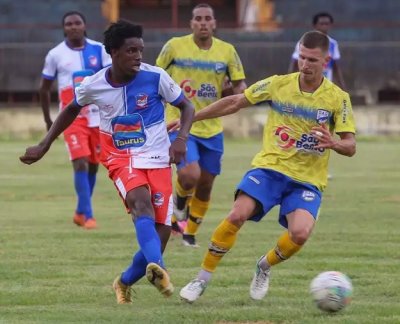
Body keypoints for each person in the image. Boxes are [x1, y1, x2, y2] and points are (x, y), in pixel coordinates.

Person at [20, 20, 195, 303]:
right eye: (130, 51)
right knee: (141, 204)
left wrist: (181, 139)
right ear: (113, 52)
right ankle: (160, 269)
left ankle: (124, 281)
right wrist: (44, 144)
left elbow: (187, 106)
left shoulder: (156, 76)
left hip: (158, 157)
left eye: (140, 49)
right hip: (119, 157)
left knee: (161, 232)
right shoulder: (94, 84)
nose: (138, 56)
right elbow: (70, 110)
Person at [179, 30, 356, 303]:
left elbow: (351, 146)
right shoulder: (278, 84)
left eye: (312, 60)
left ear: (327, 60)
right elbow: (235, 101)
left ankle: (264, 266)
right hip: (270, 168)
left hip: (307, 179)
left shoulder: (338, 98)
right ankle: (202, 278)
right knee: (237, 214)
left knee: (300, 233)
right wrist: (191, 118)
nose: (305, 65)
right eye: (302, 57)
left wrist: (333, 142)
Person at [156, 3, 247, 247]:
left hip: (211, 127)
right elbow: (155, 76)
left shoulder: (227, 51)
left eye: (208, 18)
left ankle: (189, 233)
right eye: (199, 18)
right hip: (178, 121)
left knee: (205, 184)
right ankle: (179, 206)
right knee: (189, 175)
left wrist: (240, 95)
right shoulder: (174, 46)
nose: (203, 22)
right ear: (191, 23)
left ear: (214, 23)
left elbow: (239, 85)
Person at [40, 11, 112, 229]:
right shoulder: (55, 54)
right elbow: (44, 89)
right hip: (72, 116)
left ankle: (80, 212)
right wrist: (48, 120)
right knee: (79, 161)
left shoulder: (100, 50)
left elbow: (111, 77)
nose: (73, 27)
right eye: (68, 24)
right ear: (64, 29)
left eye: (77, 23)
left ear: (84, 25)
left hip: (97, 116)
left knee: (93, 166)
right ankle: (89, 215)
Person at [288, 12, 346, 90]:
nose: (324, 26)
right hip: (306, 84)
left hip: (325, 85)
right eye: (322, 24)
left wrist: (342, 87)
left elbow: (336, 67)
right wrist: (290, 83)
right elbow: (294, 63)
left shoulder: (333, 44)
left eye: (327, 24)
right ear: (315, 25)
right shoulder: (303, 43)